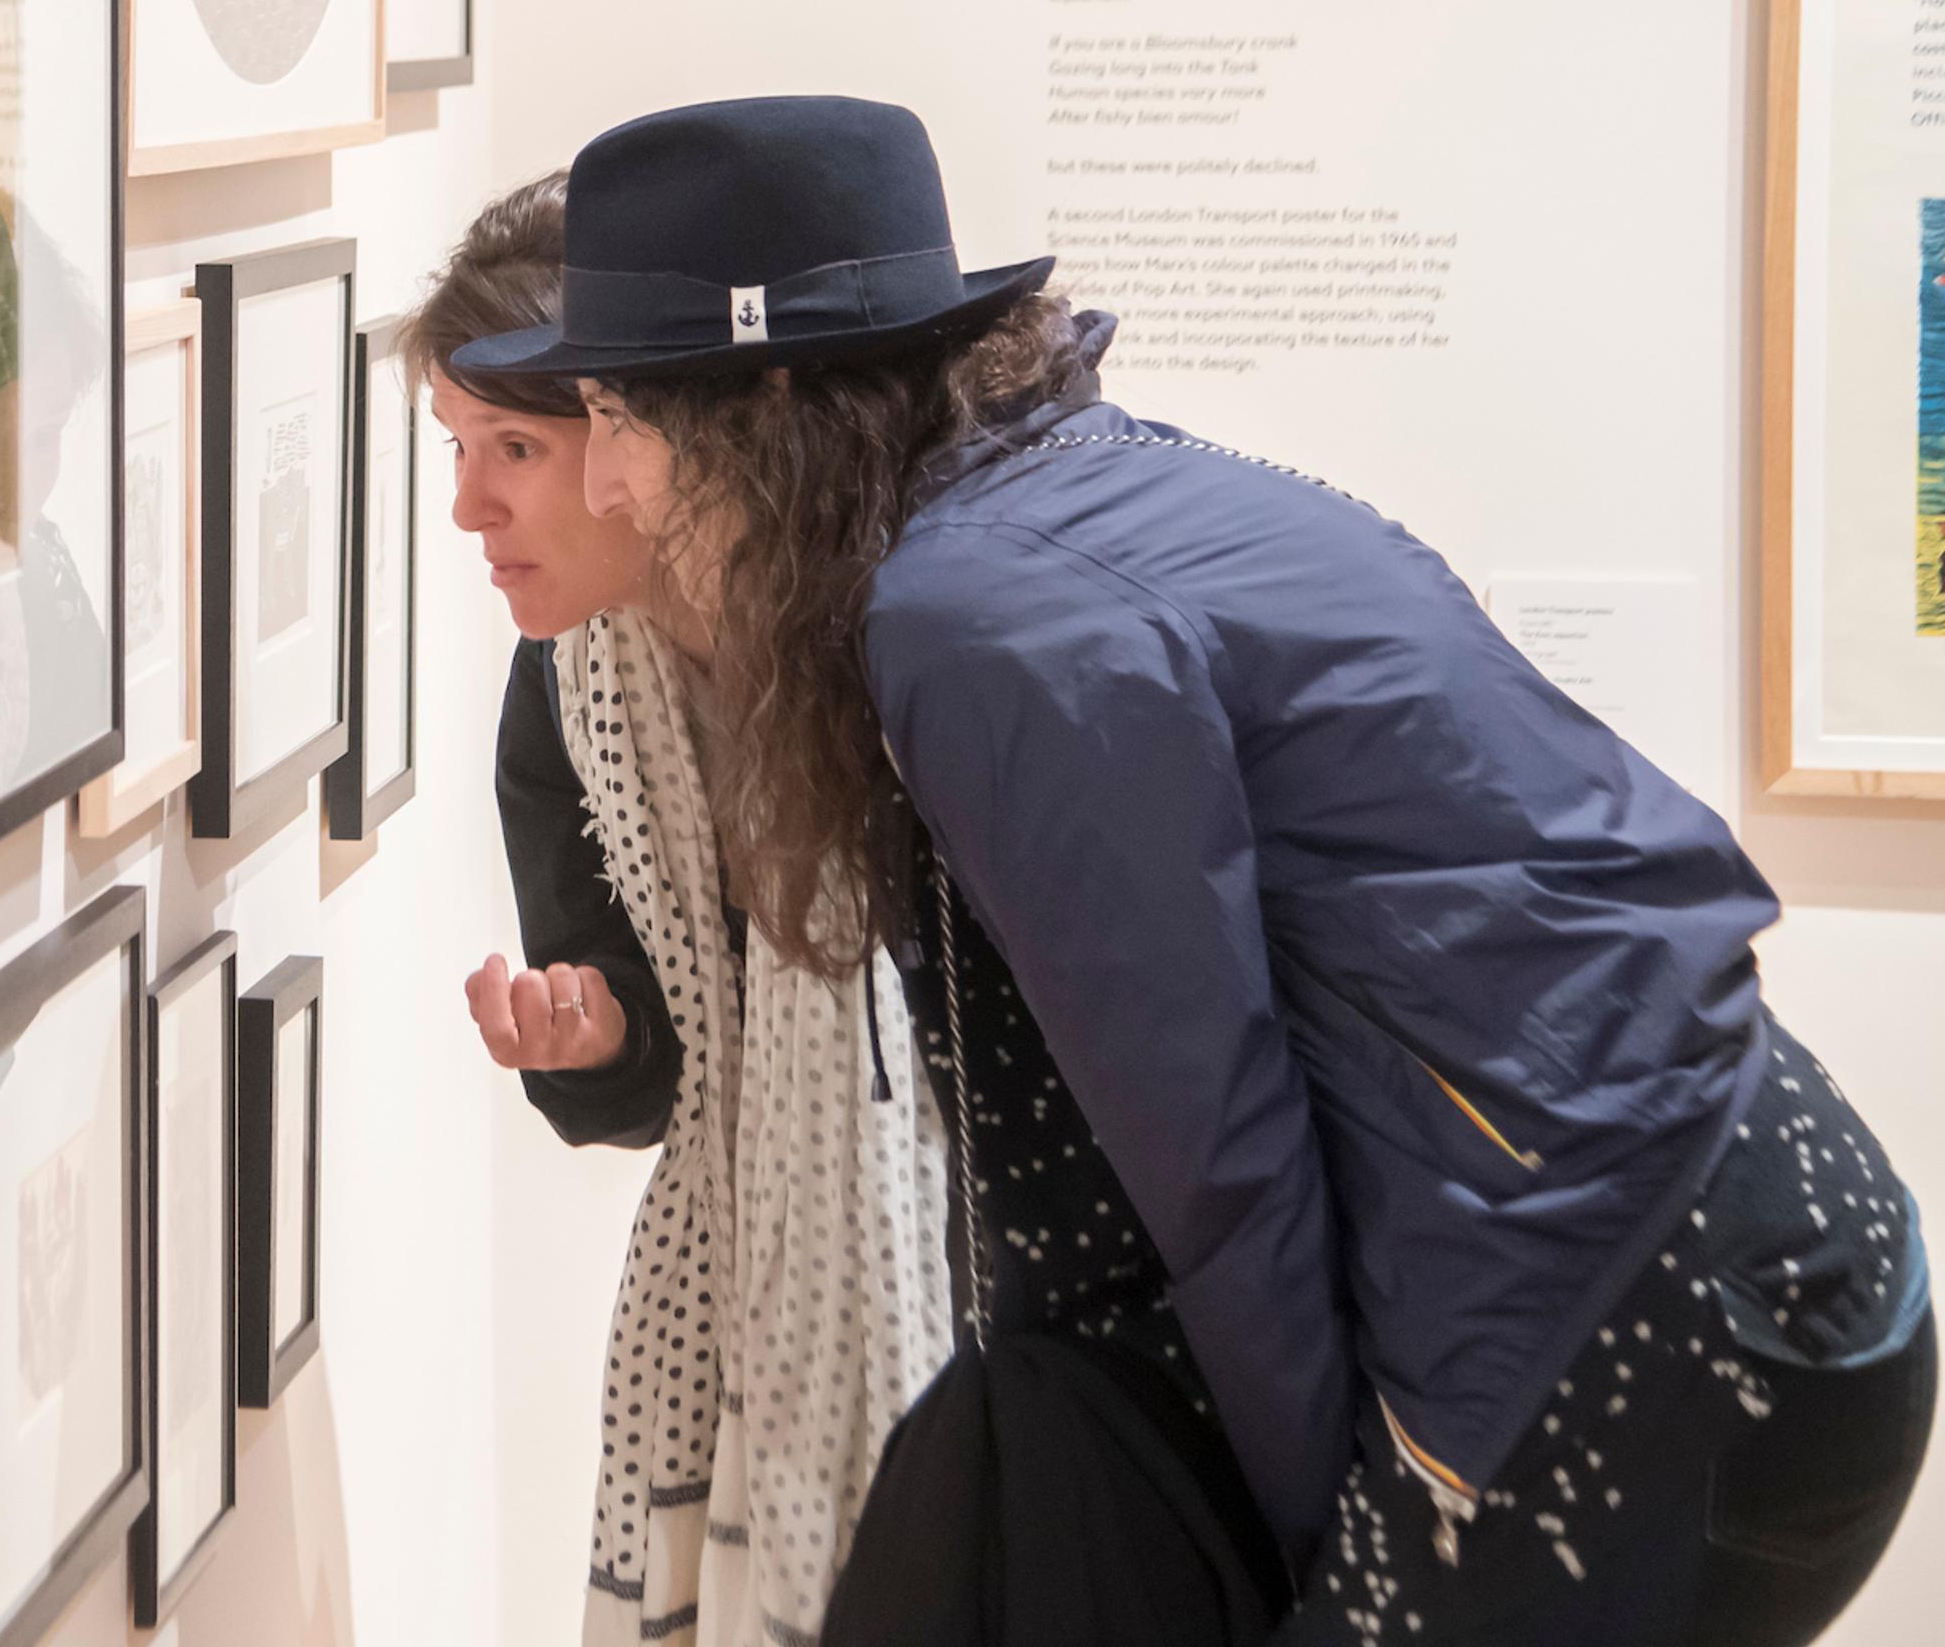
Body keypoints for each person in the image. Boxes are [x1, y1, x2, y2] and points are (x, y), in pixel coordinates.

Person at [456, 95, 1934, 1645]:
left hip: (1651, 1317)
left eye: (618, 418)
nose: (607, 482)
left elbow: (1215, 1166)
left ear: (759, 410)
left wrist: (1305, 1565)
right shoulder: (1065, 488)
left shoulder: (969, 618)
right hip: (1768, 1238)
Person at [411, 175, 957, 1647]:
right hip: (732, 1301)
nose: (471, 507)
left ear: (645, 442)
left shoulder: (914, 638)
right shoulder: (570, 696)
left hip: (972, 1290)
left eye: (515, 448)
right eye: (455, 450)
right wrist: (593, 1043)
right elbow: (661, 1063)